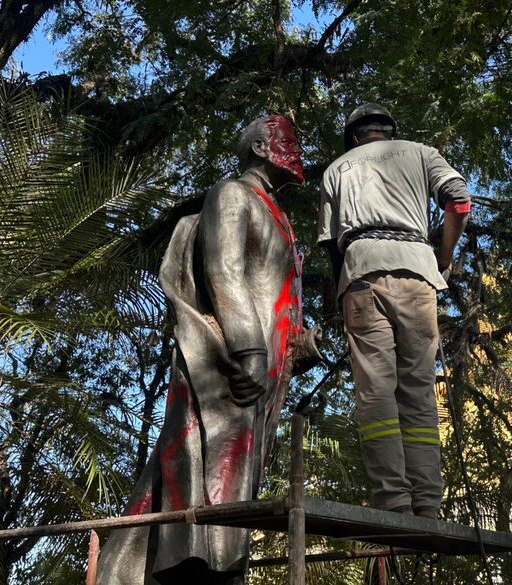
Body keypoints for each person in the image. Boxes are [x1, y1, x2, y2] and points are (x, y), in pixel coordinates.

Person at [96, 114, 321, 585]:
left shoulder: (276, 213)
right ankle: (198, 573)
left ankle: (193, 570)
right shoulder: (233, 194)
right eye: (287, 140)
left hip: (261, 377)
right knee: (207, 477)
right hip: (229, 367)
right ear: (261, 147)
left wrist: (295, 345)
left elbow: (271, 290)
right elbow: (225, 270)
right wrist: (250, 353)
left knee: (232, 480)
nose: (296, 149)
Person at [317, 103, 470, 518]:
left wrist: (343, 292)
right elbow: (458, 200)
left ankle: (393, 500)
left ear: (353, 136)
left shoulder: (336, 169)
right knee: (418, 391)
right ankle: (427, 504)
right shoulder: (421, 153)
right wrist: (444, 254)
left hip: (361, 272)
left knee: (376, 391)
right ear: (389, 130)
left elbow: (332, 247)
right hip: (418, 272)